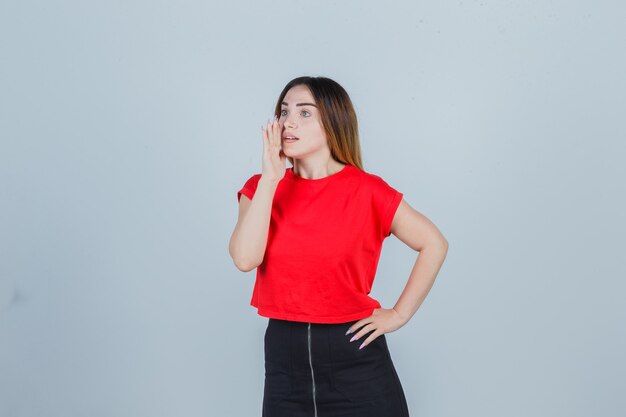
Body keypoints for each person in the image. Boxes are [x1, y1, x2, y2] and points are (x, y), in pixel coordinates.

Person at [229, 76, 448, 417]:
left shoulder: (368, 191)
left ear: (333, 121)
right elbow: (245, 258)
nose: (288, 121)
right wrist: (271, 179)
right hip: (284, 362)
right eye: (284, 111)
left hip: (355, 358)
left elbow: (433, 243)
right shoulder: (259, 188)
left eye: (304, 113)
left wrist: (399, 314)